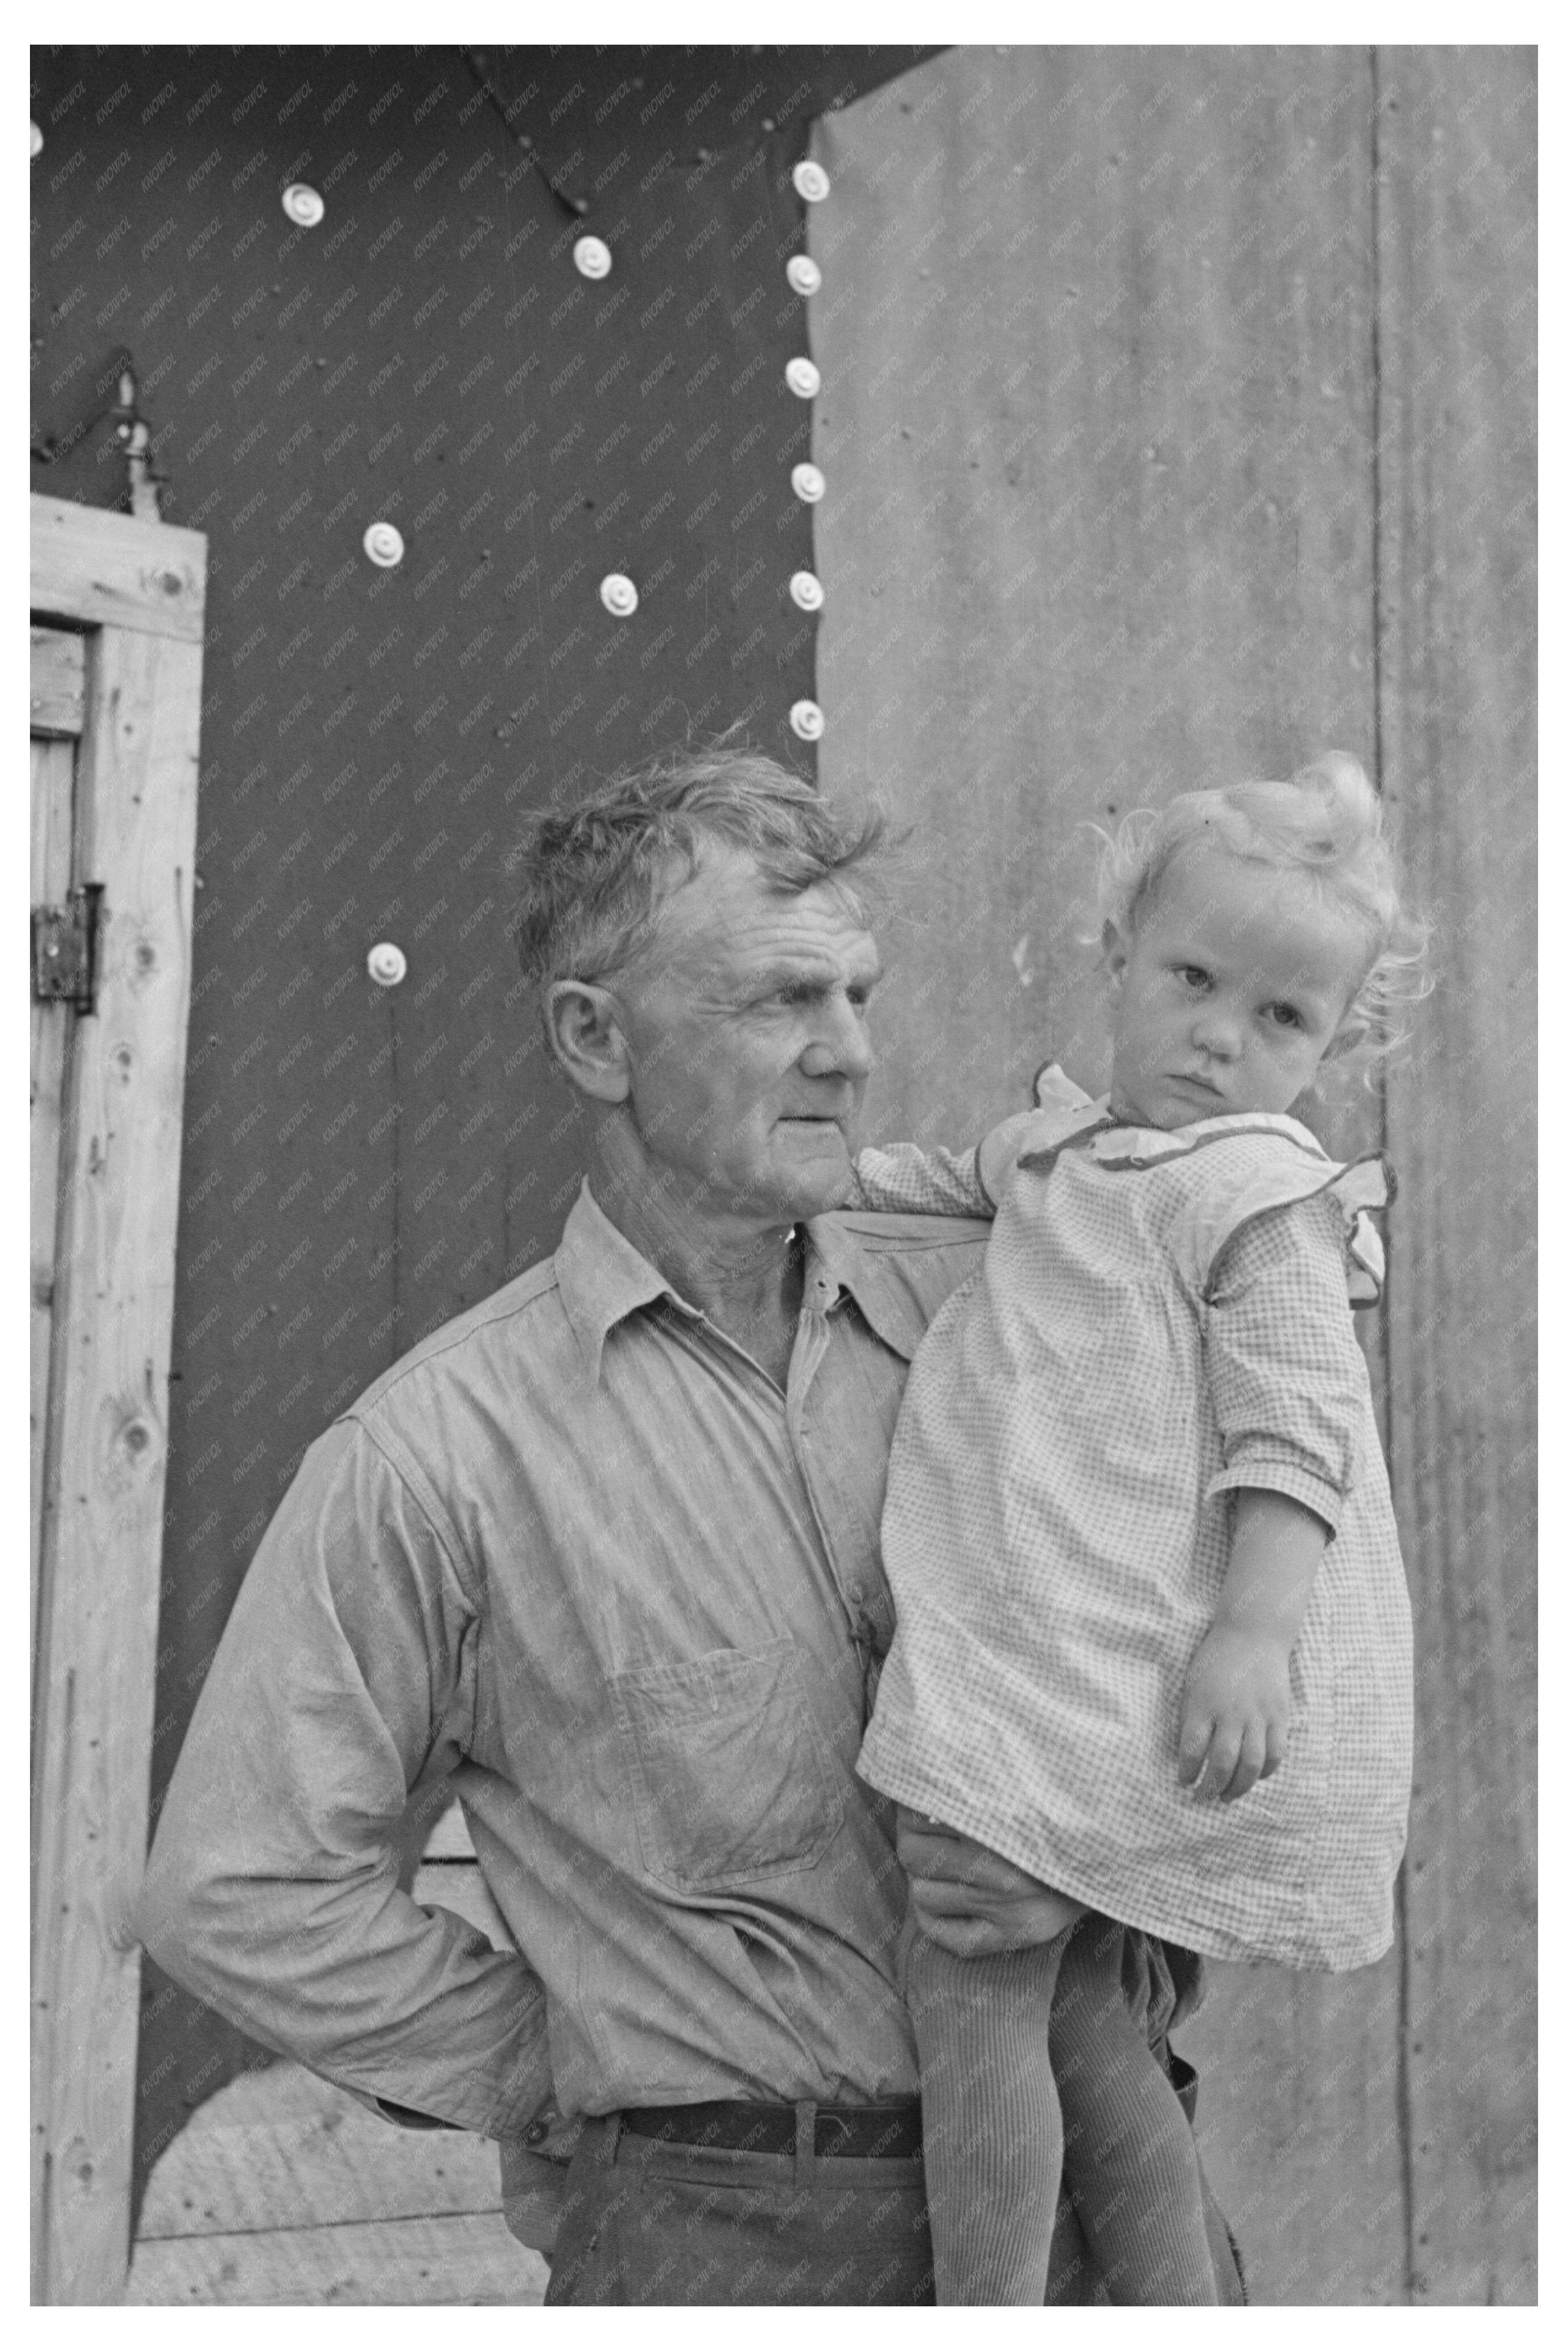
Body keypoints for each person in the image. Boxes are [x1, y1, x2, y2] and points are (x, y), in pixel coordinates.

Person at [137, 743, 1246, 2306]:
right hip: (733, 2248)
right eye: (781, 1000)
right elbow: (234, 1887)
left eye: (858, 993)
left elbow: (1241, 1669)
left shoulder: (1012, 1314)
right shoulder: (436, 1457)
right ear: (596, 1038)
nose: (849, 1051)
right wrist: (557, 2061)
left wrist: (1102, 1871)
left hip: (1107, 2188)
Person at [845, 754, 1428, 2303]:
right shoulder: (1058, 1149)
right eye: (1191, 978)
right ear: (1115, 958)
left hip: (1135, 1650)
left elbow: (1296, 1425)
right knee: (1084, 2008)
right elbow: (905, 1181)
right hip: (1049, 1622)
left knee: (968, 1967)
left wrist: (1253, 1627)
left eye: (1282, 1018)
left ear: (1332, 1045)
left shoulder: (1252, 1189)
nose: (1222, 1036)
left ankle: (988, 2310)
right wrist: (805, 1181)